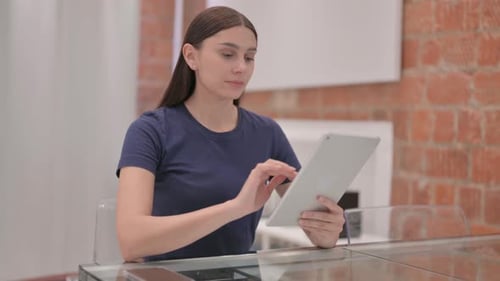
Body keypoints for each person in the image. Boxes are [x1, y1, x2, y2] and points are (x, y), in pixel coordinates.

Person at [115, 5, 345, 262]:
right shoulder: (150, 131)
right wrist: (235, 208)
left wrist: (327, 233)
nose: (241, 67)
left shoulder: (267, 133)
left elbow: (313, 225)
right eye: (227, 54)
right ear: (191, 57)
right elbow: (132, 241)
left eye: (249, 57)